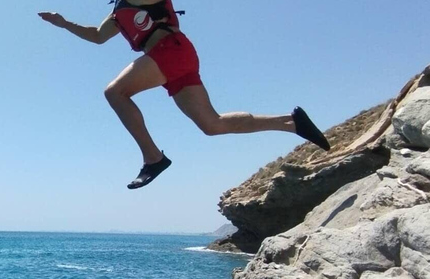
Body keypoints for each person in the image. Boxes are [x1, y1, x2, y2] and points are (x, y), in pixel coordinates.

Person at [38, 1, 331, 190]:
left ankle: (153, 158)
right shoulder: (118, 13)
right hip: (176, 57)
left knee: (115, 92)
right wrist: (63, 23)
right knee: (212, 125)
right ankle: (291, 122)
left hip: (170, 51)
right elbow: (97, 36)